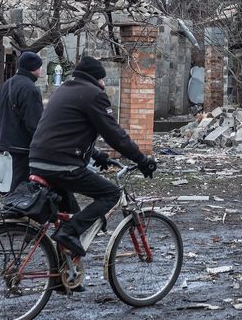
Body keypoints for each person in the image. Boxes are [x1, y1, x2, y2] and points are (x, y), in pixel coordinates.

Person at [29, 56, 157, 257]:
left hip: (38, 160)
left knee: (74, 213)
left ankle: (64, 275)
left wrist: (98, 156)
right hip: (63, 165)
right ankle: (68, 232)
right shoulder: (94, 94)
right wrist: (142, 160)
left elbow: (65, 132)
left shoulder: (63, 89)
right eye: (102, 79)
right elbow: (115, 135)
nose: (104, 84)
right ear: (95, 78)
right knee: (111, 194)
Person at [0, 51, 45, 190]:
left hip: (9, 139)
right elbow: (34, 121)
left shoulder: (8, 84)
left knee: (20, 176)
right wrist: (42, 144)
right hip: (23, 142)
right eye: (40, 66)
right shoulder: (30, 89)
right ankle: (13, 207)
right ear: (33, 68)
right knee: (21, 179)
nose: (41, 69)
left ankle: (18, 205)